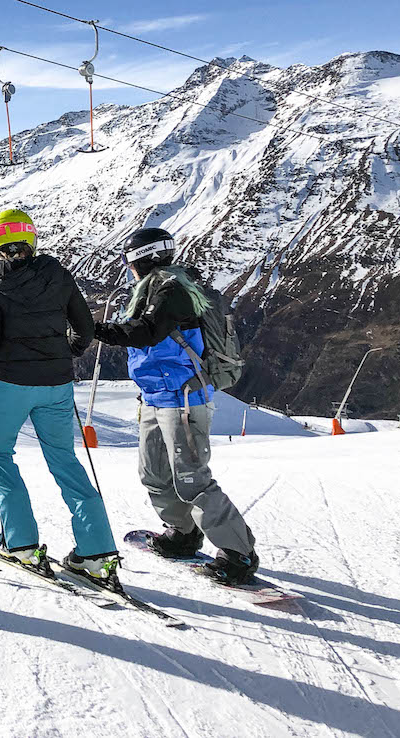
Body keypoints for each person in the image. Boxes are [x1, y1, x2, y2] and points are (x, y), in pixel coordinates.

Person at [93, 226, 260, 583]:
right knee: (153, 473)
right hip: (154, 397)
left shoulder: (174, 290)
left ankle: (239, 552)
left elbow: (147, 332)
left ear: (142, 259)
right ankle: (183, 533)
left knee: (191, 480)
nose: (128, 268)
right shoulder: (151, 289)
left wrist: (98, 330)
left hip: (183, 399)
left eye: (129, 261)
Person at [0, 208, 119, 581]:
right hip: (56, 383)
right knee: (65, 461)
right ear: (31, 238)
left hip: (8, 385)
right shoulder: (58, 274)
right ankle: (96, 553)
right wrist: (67, 351)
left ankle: (22, 546)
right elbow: (84, 325)